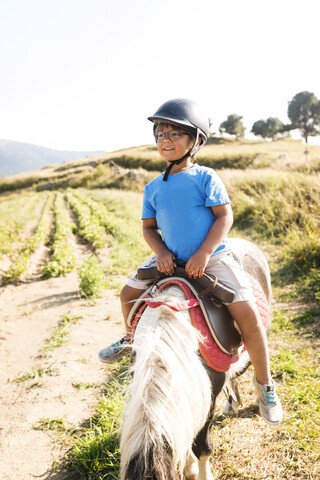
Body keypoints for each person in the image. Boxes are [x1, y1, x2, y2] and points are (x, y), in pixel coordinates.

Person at [98, 98, 283, 426]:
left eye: (174, 134)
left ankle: (264, 385)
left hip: (210, 259)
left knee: (250, 317)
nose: (165, 140)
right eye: (160, 134)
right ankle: (130, 339)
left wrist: (204, 253)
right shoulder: (153, 187)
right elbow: (148, 228)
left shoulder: (205, 178)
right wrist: (161, 253)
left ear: (196, 140)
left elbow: (224, 217)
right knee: (127, 294)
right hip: (170, 260)